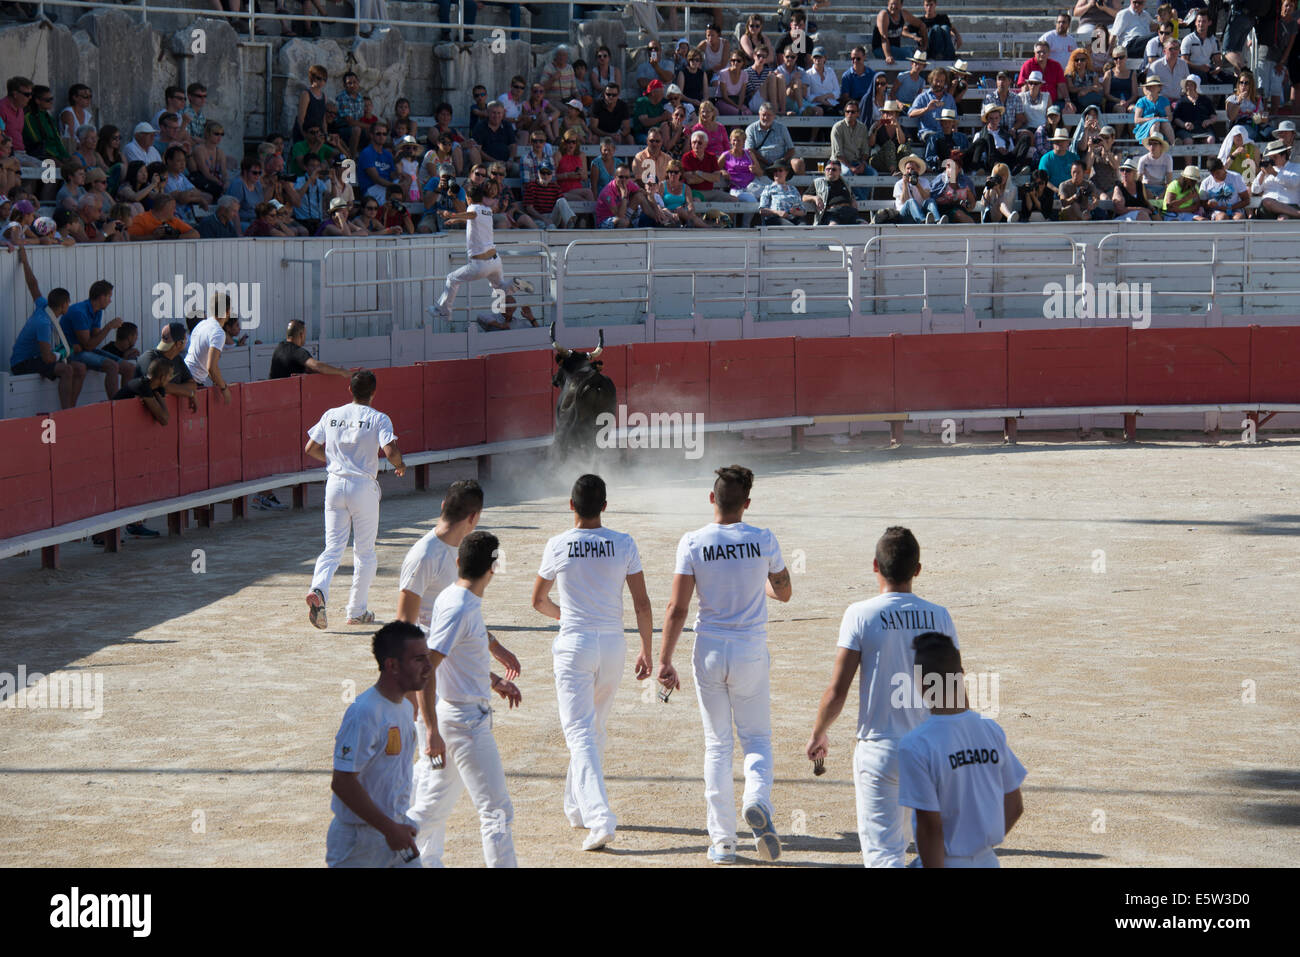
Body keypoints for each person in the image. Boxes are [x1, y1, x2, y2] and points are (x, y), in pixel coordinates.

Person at [658, 465, 792, 865]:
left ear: (712, 498)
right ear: (747, 504)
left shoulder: (693, 542)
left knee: (717, 744)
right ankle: (756, 798)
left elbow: (678, 608)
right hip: (750, 648)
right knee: (756, 738)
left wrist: (665, 658)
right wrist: (760, 584)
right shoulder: (763, 539)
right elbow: (783, 591)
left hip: (710, 648)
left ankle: (723, 842)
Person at [806, 527, 958, 867]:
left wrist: (819, 732)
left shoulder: (860, 614)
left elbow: (837, 690)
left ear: (875, 565)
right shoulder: (940, 616)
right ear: (917, 569)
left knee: (884, 856)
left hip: (880, 749)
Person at [530, 474, 653, 851]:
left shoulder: (557, 544)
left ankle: (599, 817)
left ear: (570, 505)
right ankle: (577, 808)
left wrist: (566, 616)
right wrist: (647, 649)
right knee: (593, 729)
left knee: (581, 733)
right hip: (613, 644)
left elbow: (537, 600)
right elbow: (642, 603)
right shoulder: (623, 542)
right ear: (604, 506)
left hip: (575, 643)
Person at [407, 530, 522, 868]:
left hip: (459, 717)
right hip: (465, 724)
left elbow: (456, 657)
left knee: (430, 810)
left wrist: (492, 680)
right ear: (495, 567)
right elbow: (427, 667)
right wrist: (430, 730)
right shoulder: (461, 606)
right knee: (497, 811)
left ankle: (376, 853)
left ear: (458, 562)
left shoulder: (449, 598)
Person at [898, 632, 1027, 868]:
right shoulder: (991, 730)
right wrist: (977, 845)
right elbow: (1015, 806)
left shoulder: (915, 745)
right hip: (988, 861)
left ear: (921, 683)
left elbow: (930, 827)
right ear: (961, 675)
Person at [303, 369, 405, 629]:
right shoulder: (379, 418)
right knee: (365, 552)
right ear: (374, 392)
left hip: (335, 484)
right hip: (363, 487)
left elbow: (310, 448)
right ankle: (356, 610)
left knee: (333, 547)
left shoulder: (332, 415)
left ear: (349, 390)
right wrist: (400, 464)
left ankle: (319, 589)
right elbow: (390, 450)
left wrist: (335, 461)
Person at [326, 621, 430, 868]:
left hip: (396, 832)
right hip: (359, 845)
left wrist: (395, 827)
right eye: (418, 660)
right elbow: (342, 782)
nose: (428, 667)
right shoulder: (365, 713)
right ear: (392, 665)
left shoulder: (405, 707)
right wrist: (389, 829)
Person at [429, 181, 538, 331]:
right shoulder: (488, 210)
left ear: (468, 198)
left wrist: (452, 214)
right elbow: (474, 218)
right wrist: (457, 219)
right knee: (500, 288)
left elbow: (472, 214)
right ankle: (514, 284)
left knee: (452, 279)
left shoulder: (473, 208)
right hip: (495, 261)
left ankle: (444, 312)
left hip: (480, 264)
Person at [8, 245, 87, 409]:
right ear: (64, 305)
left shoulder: (44, 306)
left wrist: (25, 261)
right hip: (22, 363)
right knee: (67, 371)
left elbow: (33, 285)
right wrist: (69, 351)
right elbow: (48, 358)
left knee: (80, 368)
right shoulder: (43, 323)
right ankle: (66, 411)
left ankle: (73, 408)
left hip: (34, 358)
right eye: (68, 303)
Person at [60, 280, 138, 401]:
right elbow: (88, 345)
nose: (110, 300)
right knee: (112, 366)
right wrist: (109, 327)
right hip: (71, 352)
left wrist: (105, 329)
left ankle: (125, 404)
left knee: (130, 368)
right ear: (102, 297)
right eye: (109, 296)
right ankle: (115, 406)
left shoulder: (98, 311)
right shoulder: (79, 312)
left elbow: (95, 339)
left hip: (85, 349)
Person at [184, 309, 240, 405]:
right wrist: (224, 389)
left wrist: (217, 380)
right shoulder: (215, 333)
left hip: (189, 377)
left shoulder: (197, 332)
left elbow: (206, 365)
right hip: (192, 381)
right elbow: (211, 367)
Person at [269, 319, 349, 380]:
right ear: (301, 335)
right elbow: (316, 366)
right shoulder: (296, 351)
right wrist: (340, 371)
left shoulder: (279, 348)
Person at [113, 357, 172, 427]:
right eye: (170, 375)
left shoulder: (158, 387)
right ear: (162, 377)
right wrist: (158, 397)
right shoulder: (143, 385)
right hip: (115, 418)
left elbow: (164, 417)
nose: (171, 378)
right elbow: (164, 420)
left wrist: (158, 396)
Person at [1251, 138, 1300, 217]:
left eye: (1274, 157)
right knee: (1267, 201)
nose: (1272, 160)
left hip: (1290, 206)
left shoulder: (1296, 167)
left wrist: (1274, 173)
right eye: (1270, 157)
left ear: (1283, 155)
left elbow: (1293, 183)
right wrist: (1262, 174)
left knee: (1283, 218)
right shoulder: (1268, 169)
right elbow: (1255, 190)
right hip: (1267, 209)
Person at [890, 153, 944, 223]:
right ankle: (922, 222)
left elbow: (927, 197)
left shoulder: (924, 181)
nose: (910, 171)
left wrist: (917, 184)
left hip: (920, 212)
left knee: (930, 201)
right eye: (908, 169)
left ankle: (937, 221)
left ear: (918, 170)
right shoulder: (899, 184)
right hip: (905, 216)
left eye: (912, 169)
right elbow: (904, 201)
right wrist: (905, 184)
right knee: (911, 201)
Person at [873, 0, 926, 65]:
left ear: (901, 5)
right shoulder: (884, 15)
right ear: (888, 3)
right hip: (881, 49)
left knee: (918, 53)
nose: (894, 6)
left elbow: (921, 25)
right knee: (910, 55)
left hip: (896, 49)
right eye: (892, 4)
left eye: (896, 4)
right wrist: (888, 56)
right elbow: (884, 38)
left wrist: (924, 45)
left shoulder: (904, 14)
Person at [1174, 74, 1217, 143]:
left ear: (1196, 86)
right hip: (1186, 130)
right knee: (1188, 141)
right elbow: (1176, 118)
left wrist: (1209, 121)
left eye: (1191, 85)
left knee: (1210, 140)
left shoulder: (1205, 100)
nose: (1188, 87)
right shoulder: (1181, 101)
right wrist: (1184, 125)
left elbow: (1214, 116)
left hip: (1204, 129)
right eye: (1187, 85)